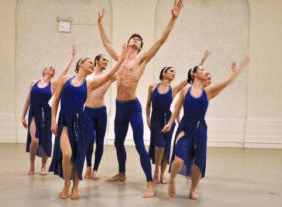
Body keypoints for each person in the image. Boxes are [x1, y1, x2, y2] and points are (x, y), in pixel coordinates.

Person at [97, 0, 184, 198]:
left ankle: (149, 182)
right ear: (128, 43)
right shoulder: (119, 57)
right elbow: (106, 43)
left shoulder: (142, 59)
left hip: (133, 107)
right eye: (133, 38)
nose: (135, 40)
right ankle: (121, 172)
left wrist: (173, 18)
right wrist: (100, 24)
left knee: (138, 143)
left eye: (138, 40)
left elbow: (161, 40)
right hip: (120, 106)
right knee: (118, 142)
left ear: (140, 46)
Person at [162, 56, 250, 200]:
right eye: (202, 70)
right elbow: (177, 108)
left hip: (200, 129)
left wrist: (236, 71)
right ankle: (171, 180)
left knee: (199, 162)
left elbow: (226, 83)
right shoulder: (185, 90)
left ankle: (192, 190)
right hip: (185, 127)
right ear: (195, 74)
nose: (205, 72)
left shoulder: (208, 91)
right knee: (179, 158)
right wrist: (170, 123)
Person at [49, 44, 127, 200]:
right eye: (90, 62)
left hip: (80, 121)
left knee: (78, 155)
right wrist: (52, 120)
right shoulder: (65, 80)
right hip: (64, 121)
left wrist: (122, 58)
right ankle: (66, 185)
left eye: (93, 63)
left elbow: (111, 73)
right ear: (81, 64)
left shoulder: (90, 83)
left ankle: (76, 187)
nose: (92, 64)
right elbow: (56, 99)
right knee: (67, 154)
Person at [146, 50, 210, 184]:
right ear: (164, 73)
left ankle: (162, 174)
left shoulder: (174, 89)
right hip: (156, 120)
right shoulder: (152, 87)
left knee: (167, 148)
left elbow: (190, 77)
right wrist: (147, 119)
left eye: (175, 72)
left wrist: (202, 61)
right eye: (171, 71)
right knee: (160, 145)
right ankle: (156, 170)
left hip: (168, 120)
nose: (174, 74)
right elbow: (147, 105)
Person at [22, 45, 76, 176]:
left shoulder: (53, 85)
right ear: (44, 71)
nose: (51, 68)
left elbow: (64, 72)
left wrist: (72, 57)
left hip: (45, 114)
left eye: (53, 68)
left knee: (45, 141)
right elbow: (28, 100)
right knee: (35, 140)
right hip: (34, 113)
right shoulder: (33, 82)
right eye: (49, 67)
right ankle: (32, 164)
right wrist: (23, 116)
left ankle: (44, 165)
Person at [83, 54, 116, 180]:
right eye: (103, 59)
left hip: (101, 112)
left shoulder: (108, 77)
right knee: (90, 139)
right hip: (88, 111)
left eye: (107, 60)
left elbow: (123, 72)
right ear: (96, 61)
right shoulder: (88, 77)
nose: (106, 62)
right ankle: (89, 166)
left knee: (100, 141)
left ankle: (96, 169)